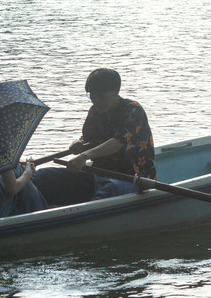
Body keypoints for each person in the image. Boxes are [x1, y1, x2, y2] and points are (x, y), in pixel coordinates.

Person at [32, 68, 156, 205]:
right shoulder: (95, 112)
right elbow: (87, 139)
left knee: (110, 190)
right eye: (92, 96)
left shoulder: (133, 109)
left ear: (116, 92)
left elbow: (117, 142)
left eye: (101, 96)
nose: (96, 101)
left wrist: (84, 156)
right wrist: (78, 143)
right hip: (98, 173)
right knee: (42, 177)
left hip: (132, 178)